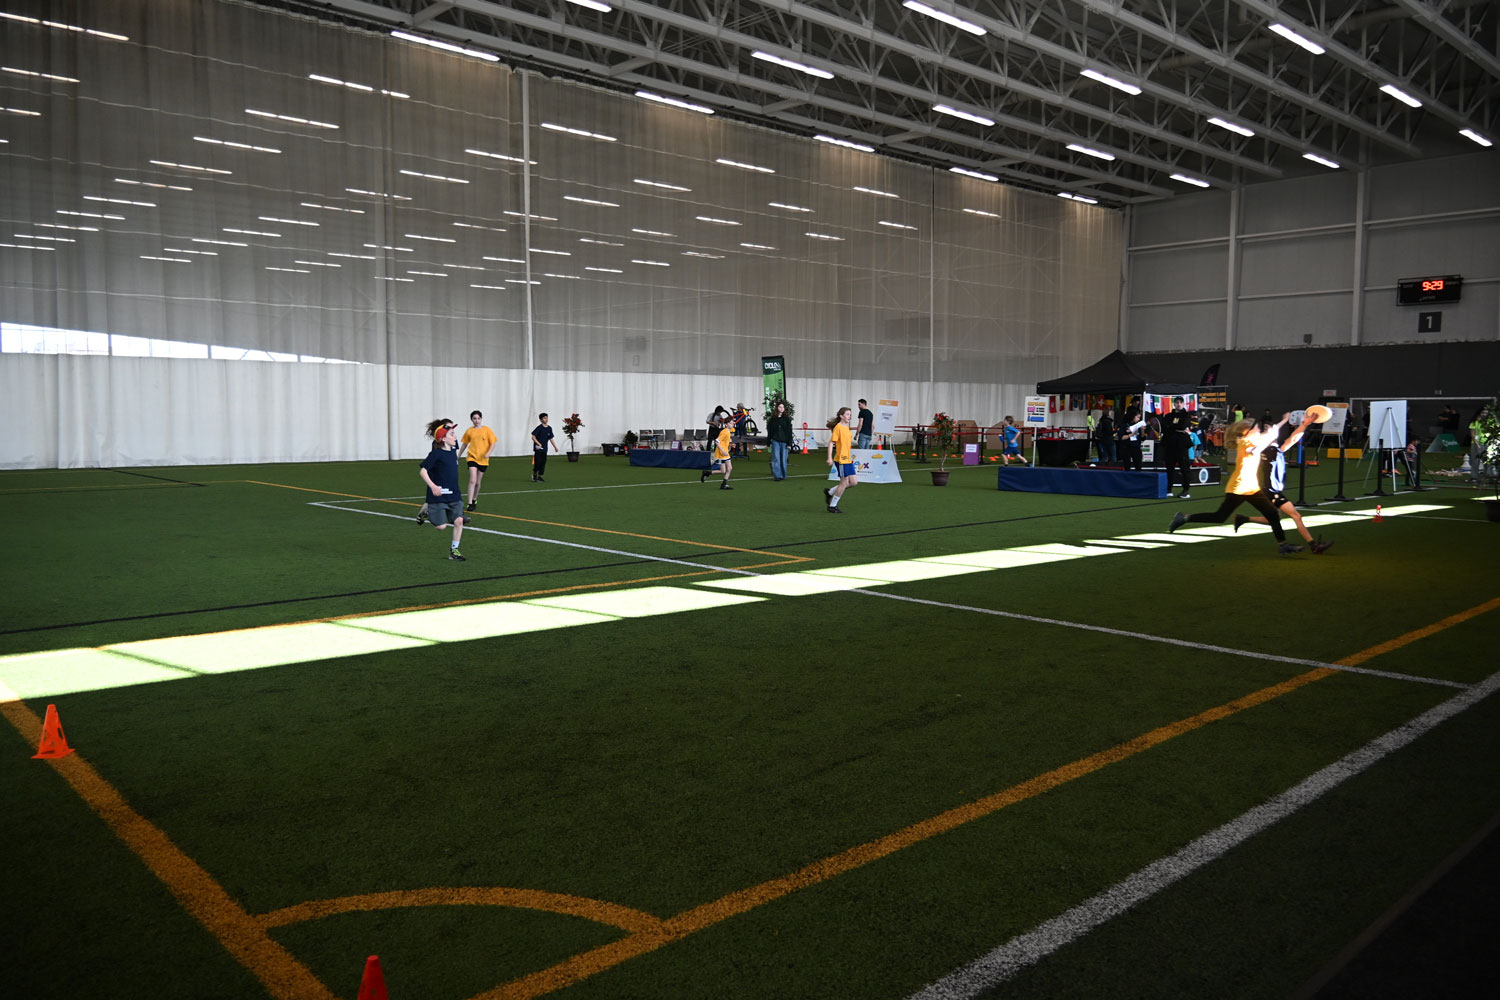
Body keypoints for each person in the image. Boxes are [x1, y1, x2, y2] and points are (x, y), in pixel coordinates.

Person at [1169, 415, 1303, 555]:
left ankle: (1283, 545)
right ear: (1246, 431)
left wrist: (1283, 421)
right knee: (1219, 517)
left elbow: (1269, 434)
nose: (1259, 430)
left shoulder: (1253, 439)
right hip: (1238, 488)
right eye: (1256, 428)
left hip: (1251, 488)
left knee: (1273, 514)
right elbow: (1257, 448)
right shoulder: (1245, 442)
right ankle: (1184, 518)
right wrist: (1271, 435)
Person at [1234, 412, 1334, 554]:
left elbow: (1291, 440)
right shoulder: (1268, 450)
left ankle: (1243, 519)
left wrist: (1303, 423)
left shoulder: (1274, 449)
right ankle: (1314, 546)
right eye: (1269, 430)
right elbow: (1290, 440)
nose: (1274, 432)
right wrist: (1305, 424)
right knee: (1296, 516)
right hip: (1271, 492)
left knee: (1273, 519)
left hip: (1270, 491)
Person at [417, 418, 467, 561]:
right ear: (443, 438)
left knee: (459, 521)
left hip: (454, 494)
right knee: (441, 527)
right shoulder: (436, 453)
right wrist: (433, 487)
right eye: (452, 434)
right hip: (439, 495)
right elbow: (423, 471)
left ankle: (454, 550)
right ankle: (426, 509)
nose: (455, 436)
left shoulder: (452, 450)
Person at [457, 409, 496, 512]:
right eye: (474, 418)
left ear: (481, 419)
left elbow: (493, 443)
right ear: (471, 420)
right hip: (472, 457)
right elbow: (465, 444)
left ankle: (474, 499)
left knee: (478, 482)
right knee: (473, 480)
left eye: (478, 418)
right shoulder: (469, 431)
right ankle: (470, 503)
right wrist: (459, 455)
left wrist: (488, 453)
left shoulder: (487, 430)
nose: (476, 420)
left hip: (483, 459)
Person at [1159, 396, 1195, 498]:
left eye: (1180, 402)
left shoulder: (1187, 415)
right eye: (1177, 402)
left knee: (1184, 468)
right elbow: (1164, 429)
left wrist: (1172, 427)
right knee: (1169, 468)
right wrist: (1176, 428)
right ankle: (1169, 489)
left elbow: (1183, 425)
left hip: (1182, 446)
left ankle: (1186, 490)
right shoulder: (1168, 415)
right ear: (1174, 404)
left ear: (1183, 404)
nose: (1178, 404)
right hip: (1170, 445)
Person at [824, 406, 856, 512]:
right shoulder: (838, 427)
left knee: (854, 482)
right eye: (847, 414)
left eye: (850, 415)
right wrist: (829, 457)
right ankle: (832, 506)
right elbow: (831, 443)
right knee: (844, 482)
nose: (849, 416)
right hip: (841, 460)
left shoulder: (846, 427)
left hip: (848, 459)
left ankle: (830, 492)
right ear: (841, 416)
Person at [700, 418, 733, 489]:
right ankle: (707, 473)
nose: (732, 423)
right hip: (721, 454)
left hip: (725, 453)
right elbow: (717, 441)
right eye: (730, 423)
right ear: (726, 424)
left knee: (729, 468)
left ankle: (723, 484)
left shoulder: (728, 431)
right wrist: (723, 451)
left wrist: (730, 445)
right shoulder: (724, 432)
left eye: (732, 422)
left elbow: (724, 442)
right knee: (723, 471)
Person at [767, 400, 793, 481]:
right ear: (777, 408)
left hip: (784, 441)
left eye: (783, 407)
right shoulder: (772, 419)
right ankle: (777, 476)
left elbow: (789, 431)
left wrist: (789, 443)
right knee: (776, 458)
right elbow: (770, 431)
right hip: (775, 441)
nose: (782, 408)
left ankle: (783, 475)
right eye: (780, 407)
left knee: (783, 459)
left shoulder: (787, 419)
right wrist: (768, 441)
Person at [530, 412, 557, 482]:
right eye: (544, 418)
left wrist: (555, 447)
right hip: (538, 449)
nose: (546, 419)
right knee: (537, 462)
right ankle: (535, 474)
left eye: (547, 418)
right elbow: (533, 437)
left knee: (543, 463)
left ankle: (540, 476)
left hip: (545, 450)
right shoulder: (539, 428)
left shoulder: (549, 428)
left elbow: (551, 439)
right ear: (541, 420)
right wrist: (539, 444)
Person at [1117, 406, 1144, 471]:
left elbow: (1142, 438)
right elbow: (1121, 437)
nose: (1138, 419)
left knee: (1138, 465)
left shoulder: (1138, 425)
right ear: (1133, 416)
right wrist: (1130, 435)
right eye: (1137, 417)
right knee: (1127, 465)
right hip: (1126, 447)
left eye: (1139, 417)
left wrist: (1142, 430)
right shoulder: (1125, 425)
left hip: (1136, 447)